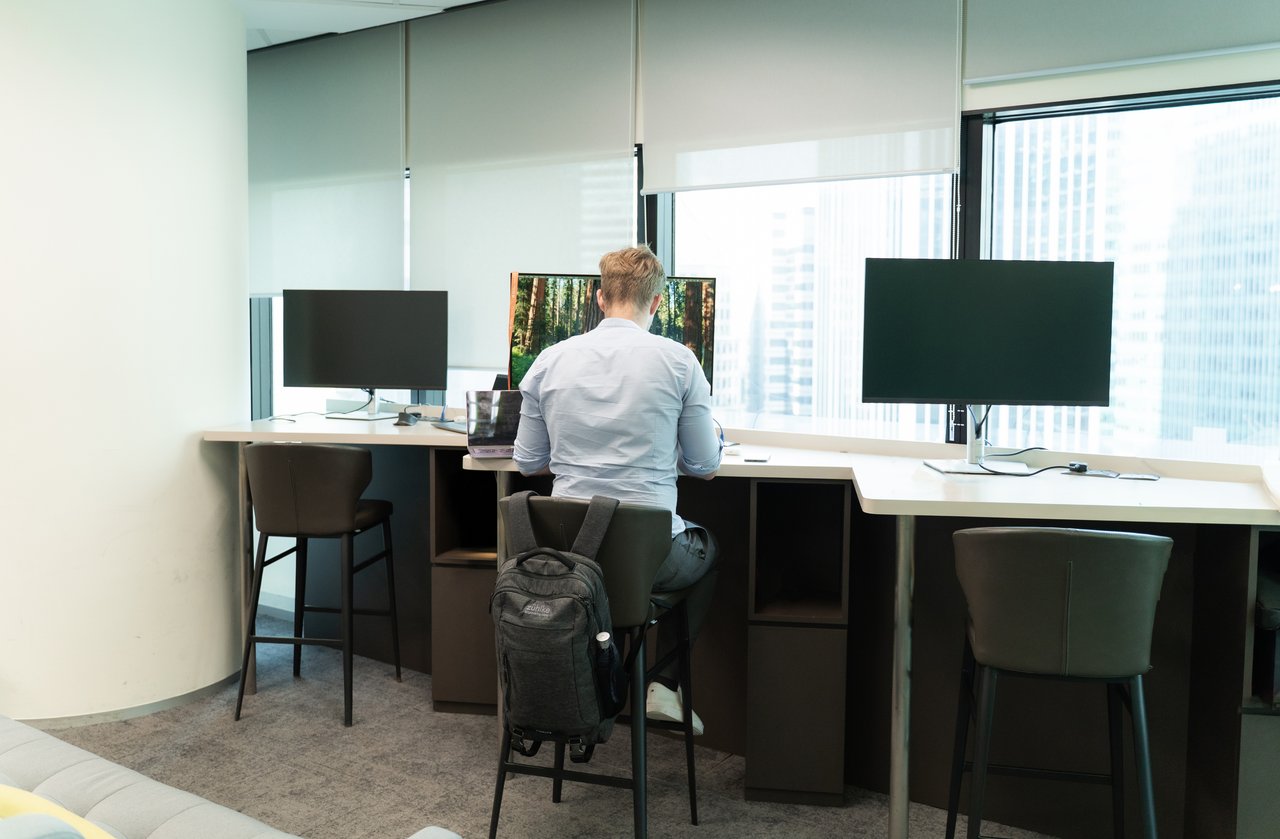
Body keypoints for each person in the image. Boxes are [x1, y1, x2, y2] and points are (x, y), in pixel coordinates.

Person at [513, 245, 721, 734]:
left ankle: (584, 678)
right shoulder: (679, 362)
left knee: (600, 572)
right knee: (707, 549)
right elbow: (704, 466)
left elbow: (527, 464)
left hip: (565, 558)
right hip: (643, 560)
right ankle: (662, 686)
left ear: (600, 298)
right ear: (655, 304)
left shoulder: (548, 361)